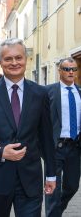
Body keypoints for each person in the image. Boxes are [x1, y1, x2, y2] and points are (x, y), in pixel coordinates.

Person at [0, 38, 56, 217]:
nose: (14, 62)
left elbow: (46, 137)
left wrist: (51, 174)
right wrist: (0, 152)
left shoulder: (40, 93)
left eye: (18, 57)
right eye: (8, 59)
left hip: (30, 180)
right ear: (0, 63)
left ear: (25, 59)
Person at [45, 57, 81, 217]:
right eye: (67, 69)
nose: (71, 72)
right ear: (59, 71)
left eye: (74, 69)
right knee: (52, 189)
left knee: (72, 186)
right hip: (55, 147)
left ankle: (56, 211)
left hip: (75, 147)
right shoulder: (48, 91)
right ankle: (53, 213)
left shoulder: (80, 92)